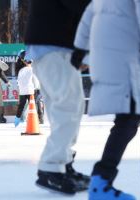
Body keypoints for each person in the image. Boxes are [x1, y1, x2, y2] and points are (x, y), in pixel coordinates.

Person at [74, 1, 140, 199]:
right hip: (134, 57)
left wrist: (80, 51)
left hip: (119, 55)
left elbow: (88, 15)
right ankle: (101, 181)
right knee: (128, 119)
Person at [24, 0, 91, 195]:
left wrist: (81, 52)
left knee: (69, 107)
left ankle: (64, 163)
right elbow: (85, 9)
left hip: (55, 45)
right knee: (68, 106)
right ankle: (51, 167)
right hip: (52, 45)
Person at [14, 50, 43, 127]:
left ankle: (36, 118)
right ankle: (24, 119)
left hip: (29, 88)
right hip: (30, 88)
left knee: (30, 104)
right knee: (33, 103)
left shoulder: (25, 66)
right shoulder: (24, 67)